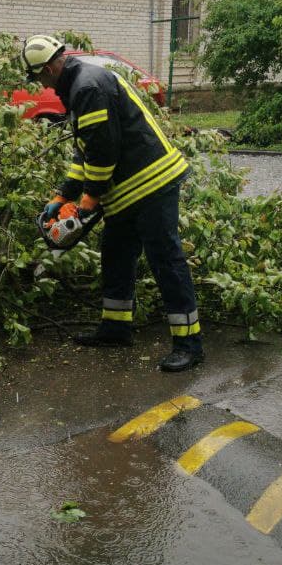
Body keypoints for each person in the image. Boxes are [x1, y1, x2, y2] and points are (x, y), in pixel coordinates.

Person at [23, 34, 203, 373]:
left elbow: (104, 151)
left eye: (38, 78)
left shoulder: (87, 88)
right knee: (116, 252)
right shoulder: (79, 85)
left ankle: (189, 344)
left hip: (152, 183)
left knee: (165, 259)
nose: (40, 85)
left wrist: (89, 200)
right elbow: (87, 151)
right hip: (125, 191)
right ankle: (116, 328)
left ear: (47, 68)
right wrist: (64, 194)